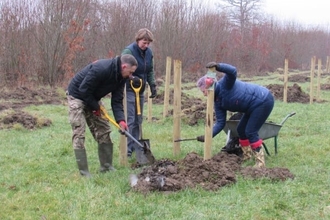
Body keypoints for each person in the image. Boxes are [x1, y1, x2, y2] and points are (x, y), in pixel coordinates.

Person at [66, 54, 138, 177]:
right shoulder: (101, 68)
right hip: (77, 96)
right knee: (79, 132)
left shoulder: (122, 77)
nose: (131, 75)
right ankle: (84, 172)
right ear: (124, 66)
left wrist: (121, 120)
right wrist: (96, 107)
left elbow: (117, 100)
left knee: (104, 129)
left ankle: (106, 167)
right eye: (130, 72)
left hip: (93, 97)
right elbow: (83, 90)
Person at [196, 62, 274, 168]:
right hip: (250, 107)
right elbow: (220, 122)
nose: (204, 94)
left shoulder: (225, 84)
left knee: (250, 131)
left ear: (210, 86)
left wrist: (218, 66)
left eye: (204, 91)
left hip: (263, 100)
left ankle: (260, 164)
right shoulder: (217, 102)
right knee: (241, 130)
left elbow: (232, 71)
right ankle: (247, 156)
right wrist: (209, 136)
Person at [121, 28, 157, 159]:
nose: (146, 45)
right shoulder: (129, 51)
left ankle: (137, 145)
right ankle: (128, 148)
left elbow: (150, 70)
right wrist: (132, 78)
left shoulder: (149, 53)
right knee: (130, 118)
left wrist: (152, 84)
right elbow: (122, 68)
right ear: (138, 40)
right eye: (144, 42)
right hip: (129, 89)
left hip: (140, 89)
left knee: (138, 118)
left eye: (148, 43)